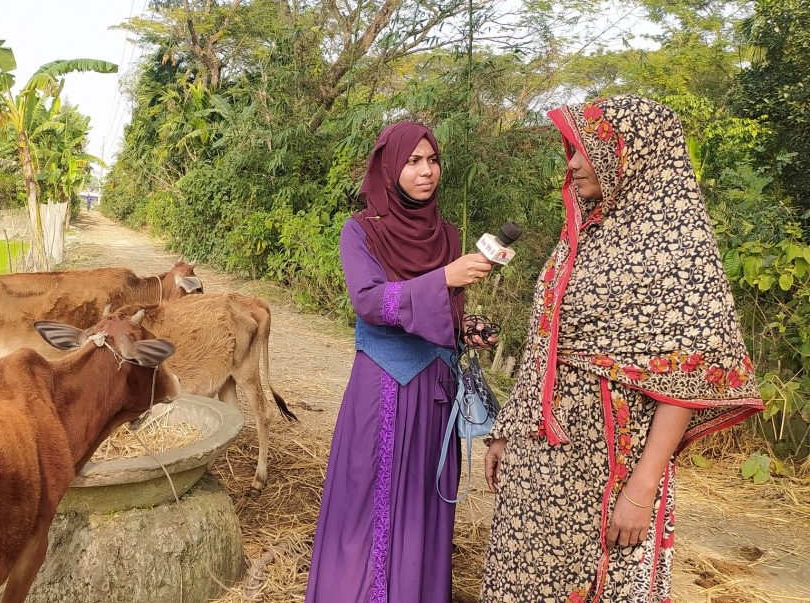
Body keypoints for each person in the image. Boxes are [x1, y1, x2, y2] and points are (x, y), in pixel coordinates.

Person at [481, 95, 764, 602]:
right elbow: (546, 338)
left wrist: (640, 490)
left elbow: (686, 381)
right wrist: (508, 431)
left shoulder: (677, 248)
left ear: (632, 153)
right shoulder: (585, 231)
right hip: (539, 458)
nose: (570, 163)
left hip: (610, 470)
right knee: (521, 583)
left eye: (583, 150)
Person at [306, 121, 497, 603]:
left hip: (436, 390)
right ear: (389, 168)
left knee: (421, 504)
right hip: (384, 386)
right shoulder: (362, 230)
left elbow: (442, 313)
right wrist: (445, 279)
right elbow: (370, 302)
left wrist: (465, 327)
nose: (426, 171)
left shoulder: (448, 234)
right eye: (413, 161)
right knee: (372, 497)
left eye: (432, 160)